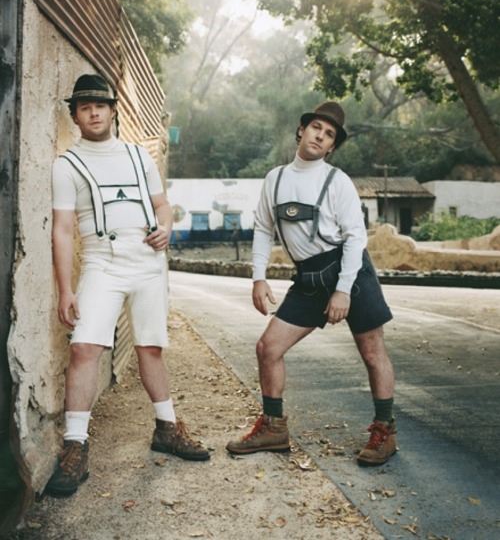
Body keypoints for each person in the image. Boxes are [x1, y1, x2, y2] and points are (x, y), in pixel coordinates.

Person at [47, 74, 209, 497]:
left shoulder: (139, 156)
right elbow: (62, 230)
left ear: (112, 110)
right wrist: (65, 289)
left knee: (150, 348)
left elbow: (162, 205)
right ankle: (75, 446)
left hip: (147, 264)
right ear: (75, 116)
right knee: (84, 348)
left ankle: (167, 428)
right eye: (85, 108)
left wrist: (166, 228)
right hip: (102, 263)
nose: (94, 113)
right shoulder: (66, 165)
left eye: (100, 105)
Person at [226, 101, 396, 466]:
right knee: (268, 348)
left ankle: (385, 431)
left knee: (372, 352)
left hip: (351, 271)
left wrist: (343, 290)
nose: (320, 135)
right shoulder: (275, 179)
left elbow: (355, 237)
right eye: (316, 127)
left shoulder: (337, 181)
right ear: (302, 130)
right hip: (309, 276)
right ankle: (274, 428)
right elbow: (263, 229)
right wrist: (258, 277)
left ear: (332, 146)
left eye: (329, 134)